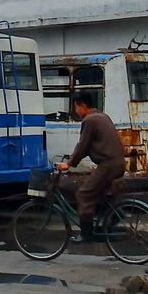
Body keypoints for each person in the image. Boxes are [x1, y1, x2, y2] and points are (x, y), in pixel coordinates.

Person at [56, 92, 126, 242]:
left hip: (108, 165)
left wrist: (68, 164)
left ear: (83, 106)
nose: (76, 111)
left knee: (84, 194)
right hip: (118, 163)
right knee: (98, 191)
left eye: (76, 107)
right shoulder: (103, 116)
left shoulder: (90, 120)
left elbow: (83, 146)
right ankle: (114, 215)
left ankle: (87, 235)